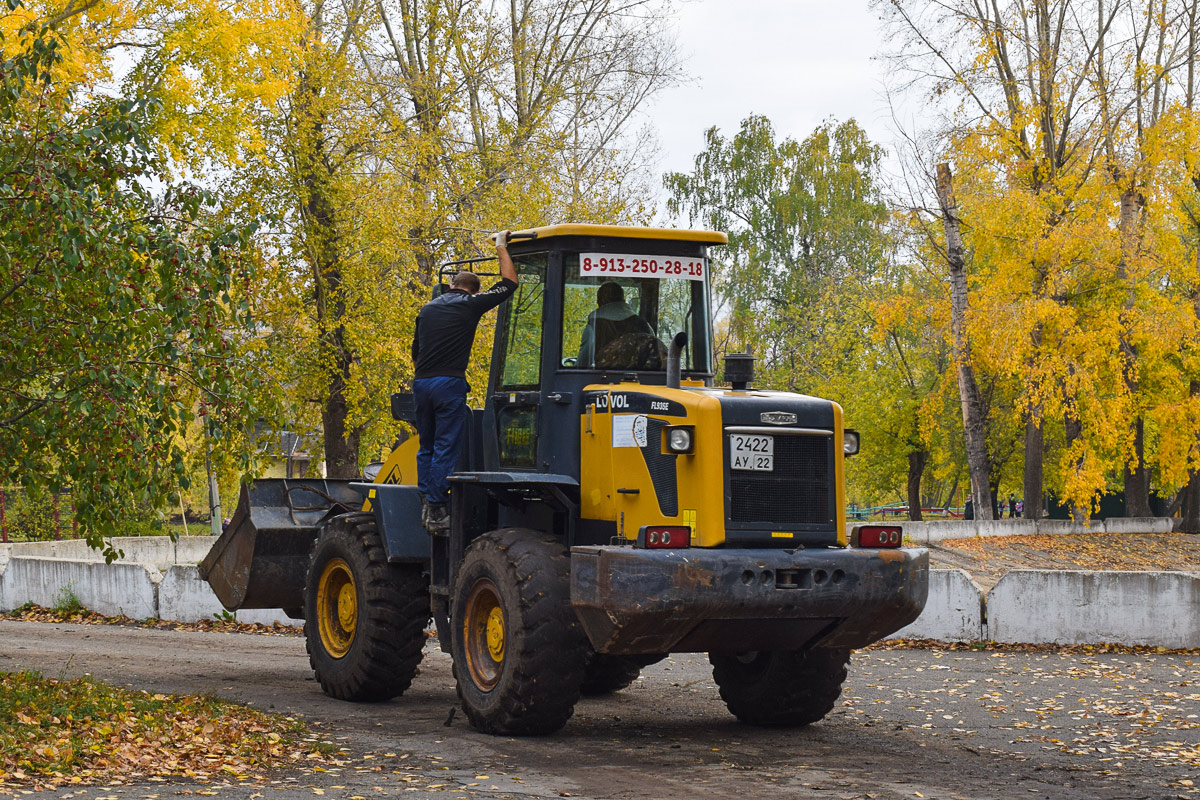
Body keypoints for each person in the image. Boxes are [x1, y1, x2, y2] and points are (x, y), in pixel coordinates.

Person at [411, 231, 519, 533]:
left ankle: (425, 499)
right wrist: (501, 246)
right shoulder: (469, 304)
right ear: (472, 292)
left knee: (427, 445)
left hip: (421, 384)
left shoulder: (427, 309)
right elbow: (509, 283)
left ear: (451, 285)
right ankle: (436, 506)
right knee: (447, 445)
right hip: (448, 384)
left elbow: (416, 354)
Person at [577, 281, 654, 367]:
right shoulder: (644, 325)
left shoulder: (593, 326)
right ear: (623, 300)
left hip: (600, 378)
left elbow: (582, 364)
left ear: (599, 302)